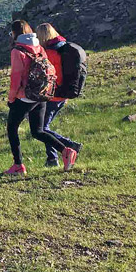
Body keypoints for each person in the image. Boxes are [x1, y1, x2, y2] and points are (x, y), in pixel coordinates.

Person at [4, 20, 75, 175]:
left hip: (25, 96)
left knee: (12, 129)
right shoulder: (39, 47)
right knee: (38, 131)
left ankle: (18, 166)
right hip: (41, 95)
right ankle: (66, 151)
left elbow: (16, 78)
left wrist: (11, 99)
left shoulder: (17, 51)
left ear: (14, 34)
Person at [36, 23, 83, 170]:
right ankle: (52, 159)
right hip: (62, 95)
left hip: (52, 95)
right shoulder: (63, 47)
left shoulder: (48, 53)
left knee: (41, 129)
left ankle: (68, 146)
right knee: (44, 127)